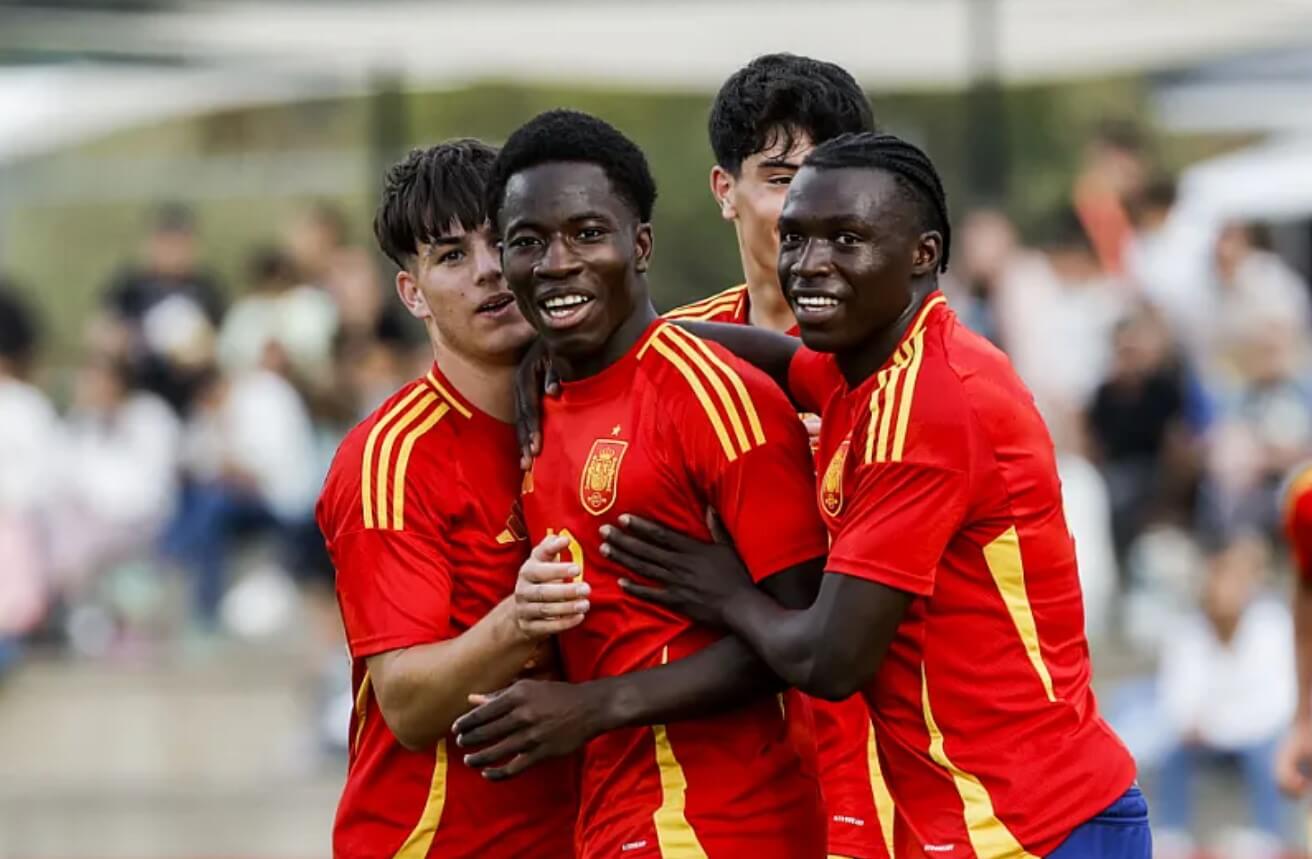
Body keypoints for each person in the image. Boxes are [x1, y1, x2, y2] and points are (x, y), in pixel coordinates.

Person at [591, 132, 1148, 856]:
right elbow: (785, 359)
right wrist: (620, 336)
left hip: (1035, 824)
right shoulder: (872, 365)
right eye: (796, 238)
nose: (809, 264)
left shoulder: (930, 405)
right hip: (990, 818)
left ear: (923, 253)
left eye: (847, 240)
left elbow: (830, 659)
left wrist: (724, 592)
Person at [454, 109, 832, 858]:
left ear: (641, 245)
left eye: (588, 233)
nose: (557, 262)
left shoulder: (714, 397)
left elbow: (808, 639)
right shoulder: (540, 402)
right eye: (528, 242)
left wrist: (590, 705)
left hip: (718, 825)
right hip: (612, 817)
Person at [314, 140, 579, 858]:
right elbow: (406, 702)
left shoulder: (592, 420)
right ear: (412, 294)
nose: (488, 269)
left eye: (503, 239)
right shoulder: (389, 458)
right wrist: (520, 620)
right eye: (452, 255)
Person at [663, 52, 892, 859]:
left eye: (828, 180)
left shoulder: (904, 362)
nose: (804, 209)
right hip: (722, 760)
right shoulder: (671, 355)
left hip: (882, 744)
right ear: (724, 190)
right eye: (781, 179)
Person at [1154, 534, 1292, 857]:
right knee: (1170, 752)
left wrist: (1218, 725)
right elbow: (1177, 701)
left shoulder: (1272, 626)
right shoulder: (1186, 634)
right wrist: (1199, 725)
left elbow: (1276, 704)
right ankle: (1172, 835)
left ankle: (1269, 836)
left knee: (1271, 752)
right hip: (1206, 740)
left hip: (1258, 737)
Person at [97, 203, 225, 413]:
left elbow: (217, 341)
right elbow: (103, 333)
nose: (172, 251)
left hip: (196, 399)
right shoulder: (130, 287)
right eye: (166, 242)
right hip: (140, 397)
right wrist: (130, 343)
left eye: (179, 243)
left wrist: (194, 352)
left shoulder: (205, 288)